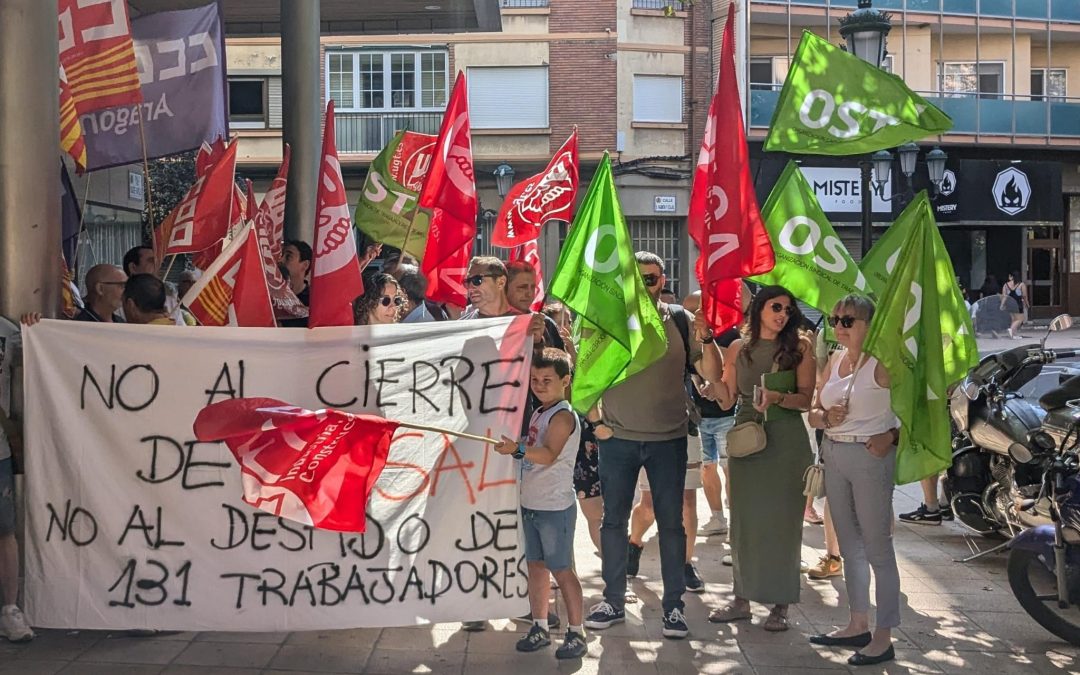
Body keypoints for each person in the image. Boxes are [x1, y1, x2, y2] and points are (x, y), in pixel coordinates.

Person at [583, 251, 722, 640]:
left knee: (673, 523)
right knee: (613, 521)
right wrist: (596, 423)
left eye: (653, 278)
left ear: (662, 281)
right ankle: (612, 600)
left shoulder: (680, 319)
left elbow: (711, 372)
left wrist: (707, 336)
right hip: (619, 439)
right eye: (639, 278)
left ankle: (673, 607)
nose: (646, 285)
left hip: (668, 439)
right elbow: (585, 375)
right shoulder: (608, 320)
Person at [707, 285, 815, 632]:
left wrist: (778, 397)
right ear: (759, 309)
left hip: (785, 443)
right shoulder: (739, 348)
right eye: (776, 307)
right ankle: (741, 600)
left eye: (787, 308)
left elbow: (806, 399)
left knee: (783, 525)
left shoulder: (800, 347)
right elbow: (726, 399)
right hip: (747, 441)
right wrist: (709, 384)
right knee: (745, 524)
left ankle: (780, 606)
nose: (782, 313)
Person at [807, 295, 901, 666]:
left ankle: (884, 634)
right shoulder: (834, 359)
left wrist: (891, 438)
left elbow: (921, 408)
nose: (839, 327)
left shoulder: (885, 363)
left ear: (869, 324)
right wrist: (825, 417)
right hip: (835, 451)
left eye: (848, 320)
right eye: (835, 319)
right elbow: (813, 411)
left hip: (870, 455)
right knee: (849, 546)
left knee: (879, 547)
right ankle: (857, 623)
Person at [494, 348, 587, 660]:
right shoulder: (539, 411)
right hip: (532, 504)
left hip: (554, 507)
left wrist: (516, 450)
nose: (539, 384)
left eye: (547, 379)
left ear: (565, 381)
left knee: (562, 570)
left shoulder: (562, 416)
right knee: (535, 567)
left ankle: (577, 632)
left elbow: (548, 454)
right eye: (535, 379)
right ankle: (539, 625)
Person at [0, 317, 32, 642]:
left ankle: (9, 609)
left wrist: (41, 332)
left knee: (5, 531)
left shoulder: (7, 331)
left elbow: (40, 356)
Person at [281, 240, 312, 307]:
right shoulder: (271, 297)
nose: (281, 260)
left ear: (305, 265)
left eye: (288, 257)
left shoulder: (313, 301)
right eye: (280, 256)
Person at [1001, 271, 1027, 340]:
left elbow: (1004, 296)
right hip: (1018, 304)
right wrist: (1027, 303)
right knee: (1020, 319)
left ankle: (1013, 335)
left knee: (1014, 319)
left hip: (1009, 304)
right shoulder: (1021, 284)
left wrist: (1002, 305)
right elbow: (1024, 296)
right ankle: (1011, 330)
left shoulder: (1006, 285)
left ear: (1012, 276)